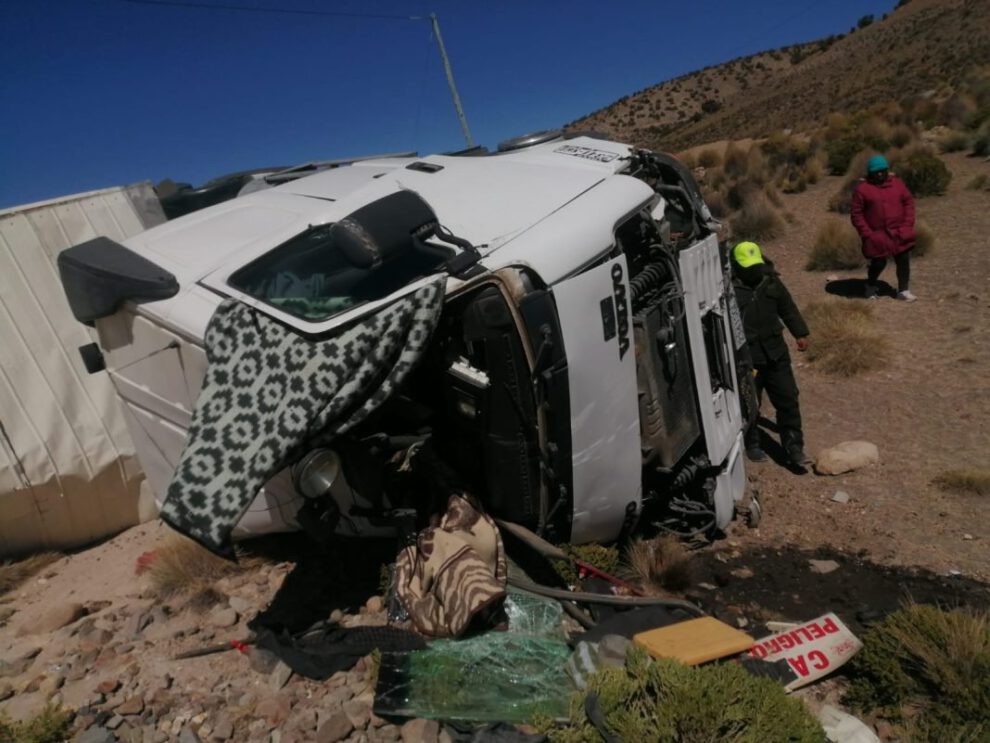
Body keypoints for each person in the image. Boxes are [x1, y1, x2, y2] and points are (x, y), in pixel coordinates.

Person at [730, 241, 812, 467]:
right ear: (736, 265)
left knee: (788, 398)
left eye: (755, 265)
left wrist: (800, 333)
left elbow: (788, 308)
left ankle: (794, 447)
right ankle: (753, 443)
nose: (753, 271)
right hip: (747, 359)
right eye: (747, 267)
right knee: (750, 403)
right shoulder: (729, 289)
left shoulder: (771, 281)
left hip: (775, 353)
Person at [850, 154, 917, 302]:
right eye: (876, 172)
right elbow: (856, 214)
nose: (879, 174)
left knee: (903, 260)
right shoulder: (862, 190)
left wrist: (907, 224)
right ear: (870, 173)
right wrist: (867, 234)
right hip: (877, 235)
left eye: (882, 171)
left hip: (899, 232)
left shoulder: (897, 184)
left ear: (887, 170)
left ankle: (903, 290)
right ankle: (870, 285)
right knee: (879, 263)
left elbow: (908, 202)